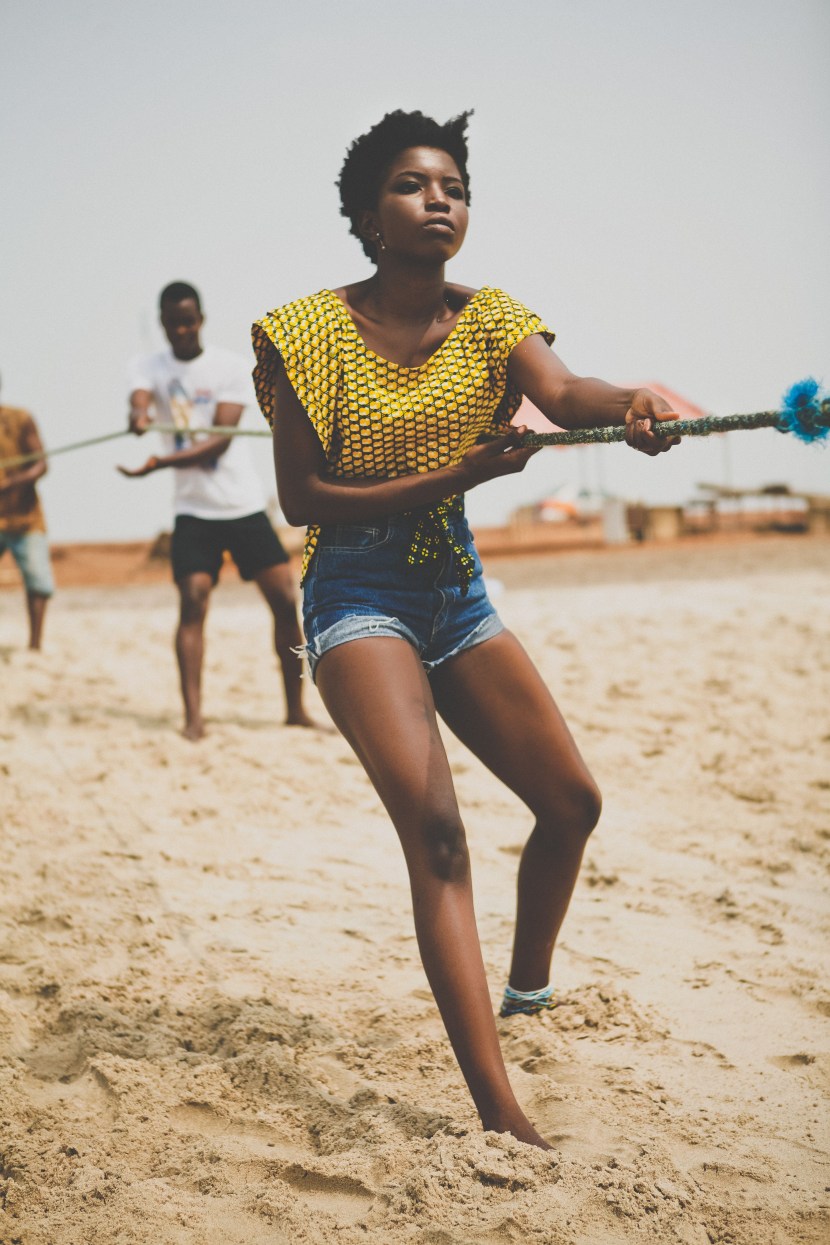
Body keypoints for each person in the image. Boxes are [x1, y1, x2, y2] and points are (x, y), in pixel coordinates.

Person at [251, 110, 679, 1149]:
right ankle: (498, 1111)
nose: (438, 198)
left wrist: (635, 397)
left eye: (451, 184)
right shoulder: (298, 333)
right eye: (410, 184)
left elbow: (565, 395)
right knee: (437, 838)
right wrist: (464, 473)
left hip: (454, 591)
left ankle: (525, 987)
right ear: (364, 216)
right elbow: (304, 500)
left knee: (571, 803)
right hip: (354, 598)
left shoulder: (492, 319)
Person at [120, 281, 316, 740]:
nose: (182, 330)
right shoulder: (146, 365)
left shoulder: (228, 366)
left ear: (201, 319)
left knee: (286, 603)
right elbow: (140, 399)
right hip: (192, 512)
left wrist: (160, 461)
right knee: (192, 603)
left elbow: (219, 443)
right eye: (173, 323)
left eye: (189, 321)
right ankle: (193, 718)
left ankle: (295, 710)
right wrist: (138, 417)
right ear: (164, 324)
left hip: (242, 505)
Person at [0, 381, 54, 650]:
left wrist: (14, 482)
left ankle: (35, 645)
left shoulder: (19, 419)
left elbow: (41, 463)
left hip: (25, 517)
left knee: (37, 579)